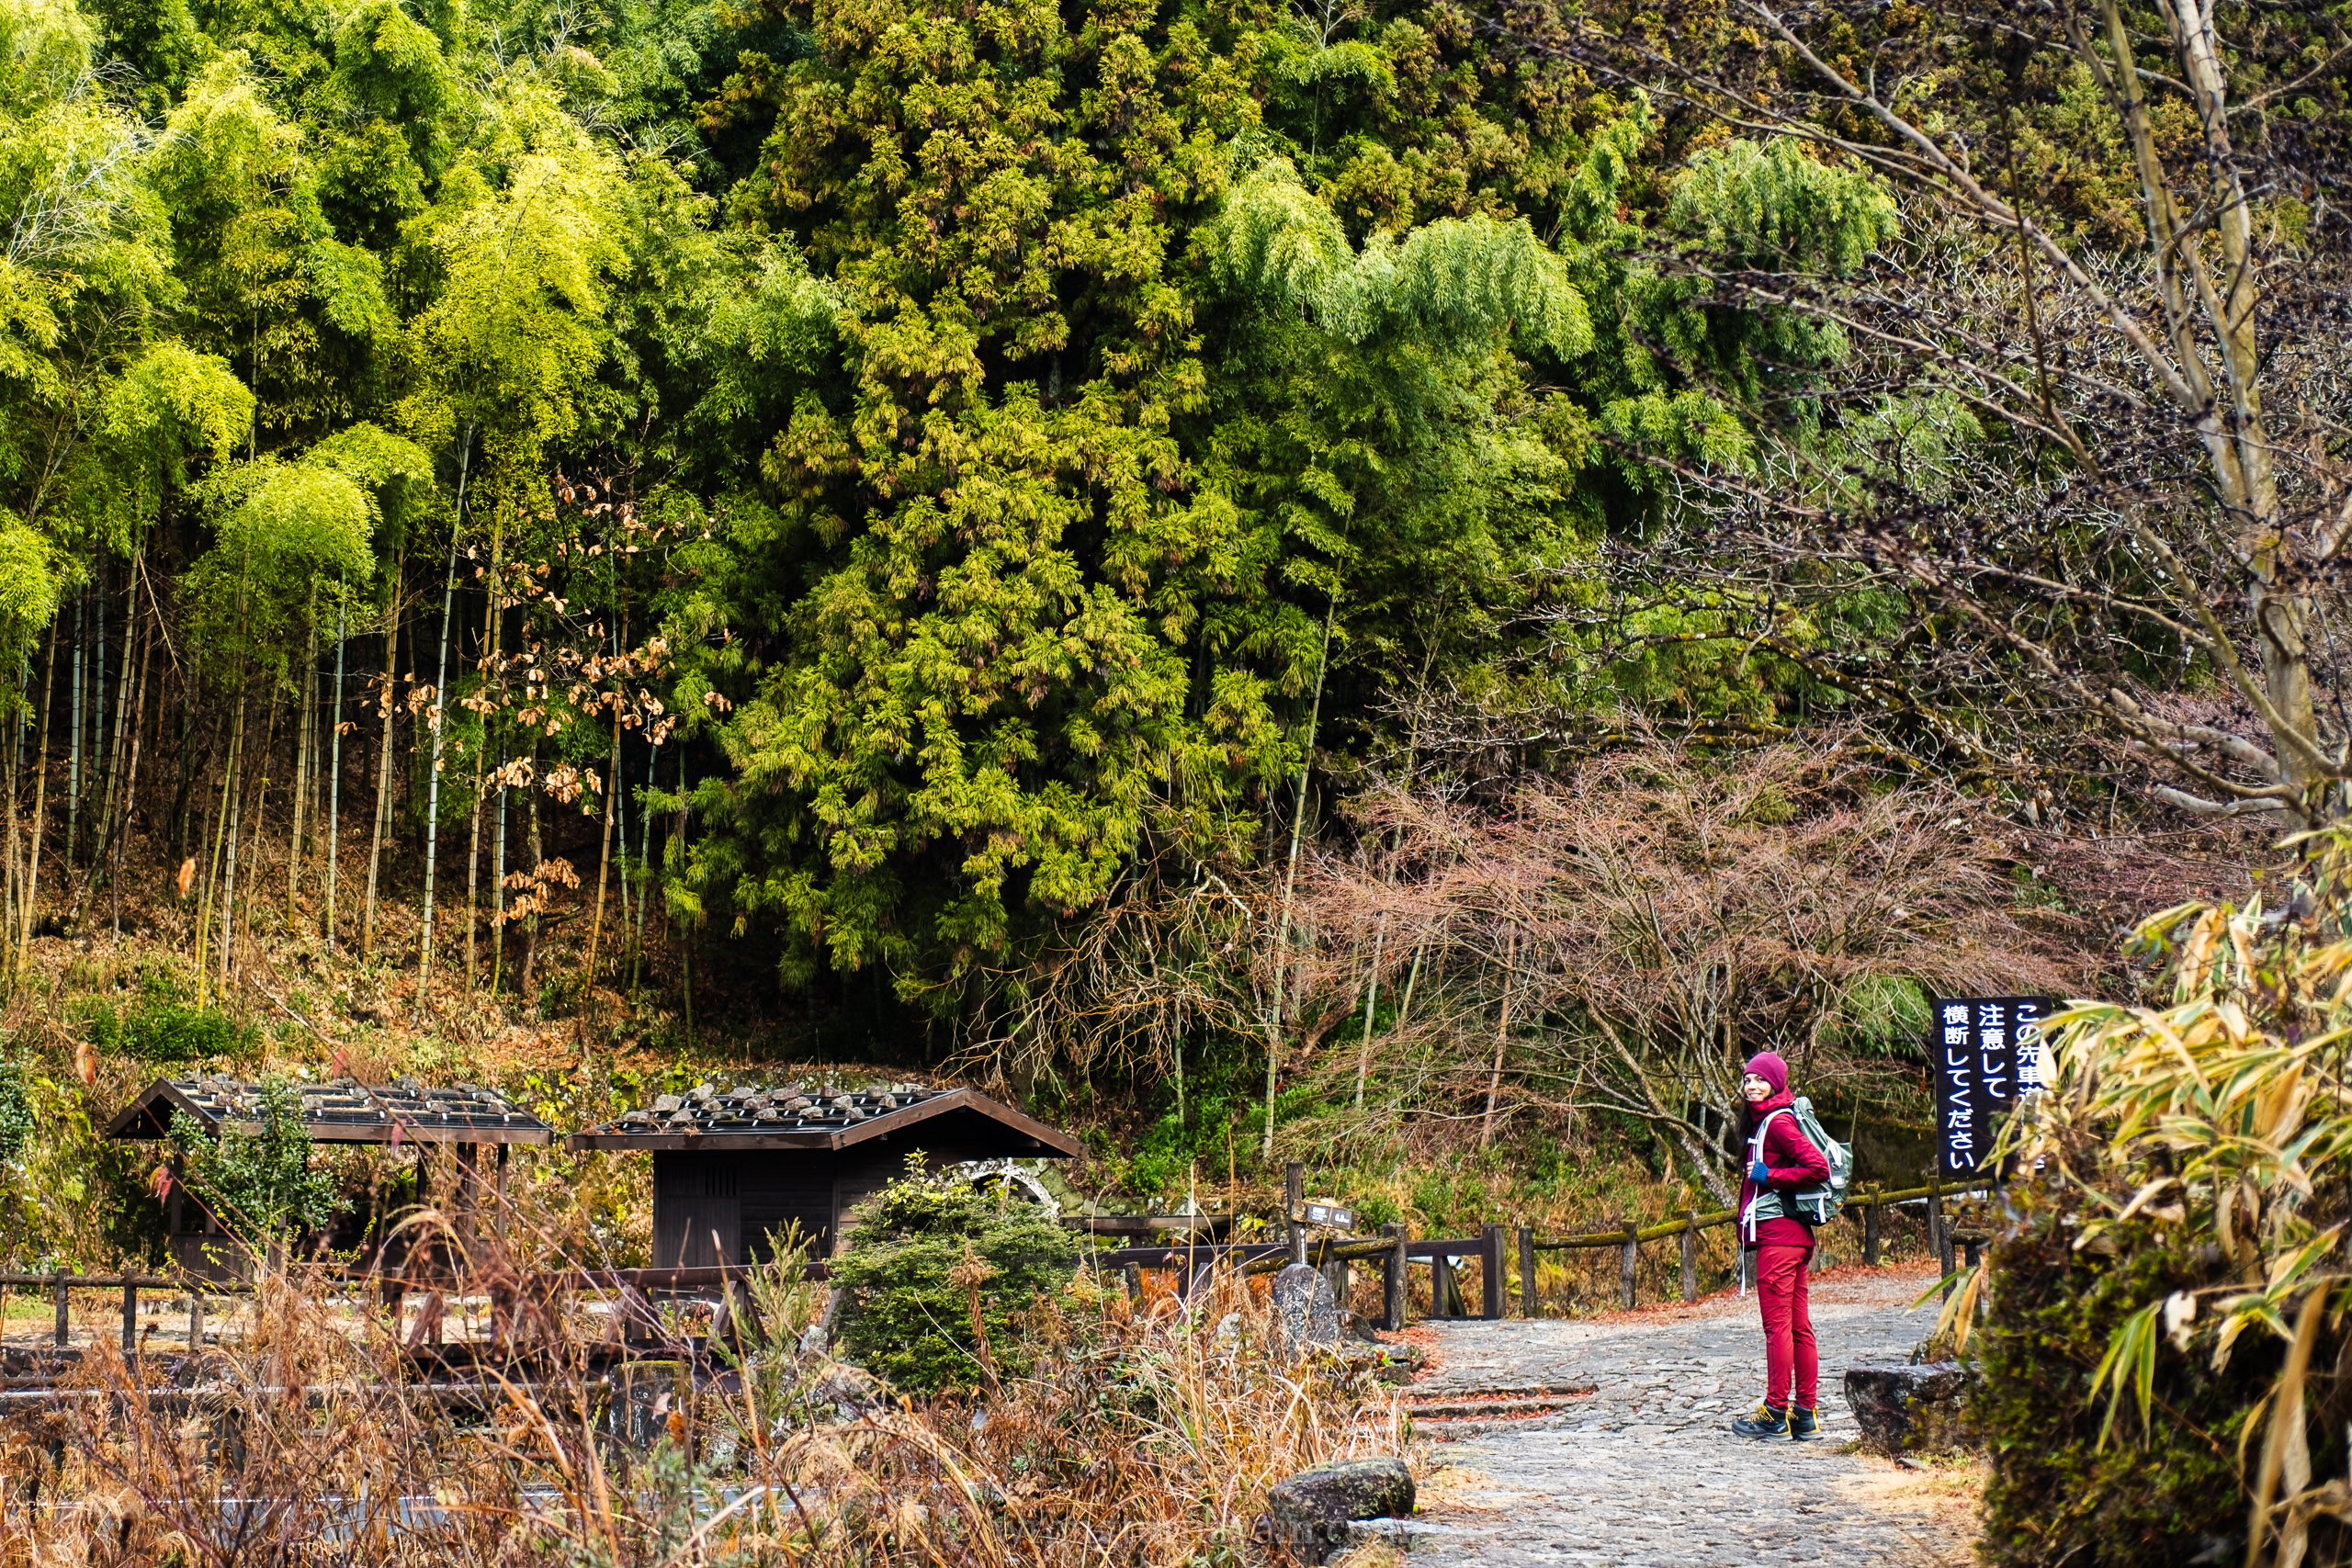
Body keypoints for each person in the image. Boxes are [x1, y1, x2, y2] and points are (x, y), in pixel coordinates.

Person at [1730, 1050, 1830, 1440]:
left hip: (1779, 1236)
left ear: (1777, 1083)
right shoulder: (1769, 1121)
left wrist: (1768, 1174)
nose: (1751, 1087)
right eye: (1747, 1080)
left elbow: (1817, 1167)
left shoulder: (1778, 1123)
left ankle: (1775, 1413)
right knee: (1799, 1327)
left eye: (1759, 1080)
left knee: (1779, 1329)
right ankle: (1805, 1416)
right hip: (1795, 1238)